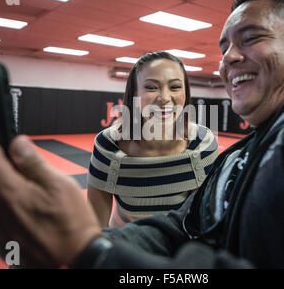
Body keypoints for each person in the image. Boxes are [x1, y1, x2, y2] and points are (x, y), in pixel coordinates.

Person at [0, 0, 284, 268]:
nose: (229, 58)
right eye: (224, 47)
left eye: (251, 38)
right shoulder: (241, 154)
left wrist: (91, 252)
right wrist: (76, 238)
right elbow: (182, 229)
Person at [87, 51, 218, 227]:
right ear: (135, 93)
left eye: (175, 87)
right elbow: (96, 228)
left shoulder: (202, 144)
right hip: (125, 247)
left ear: (186, 92)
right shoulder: (108, 146)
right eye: (151, 87)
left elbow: (202, 221)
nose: (164, 98)